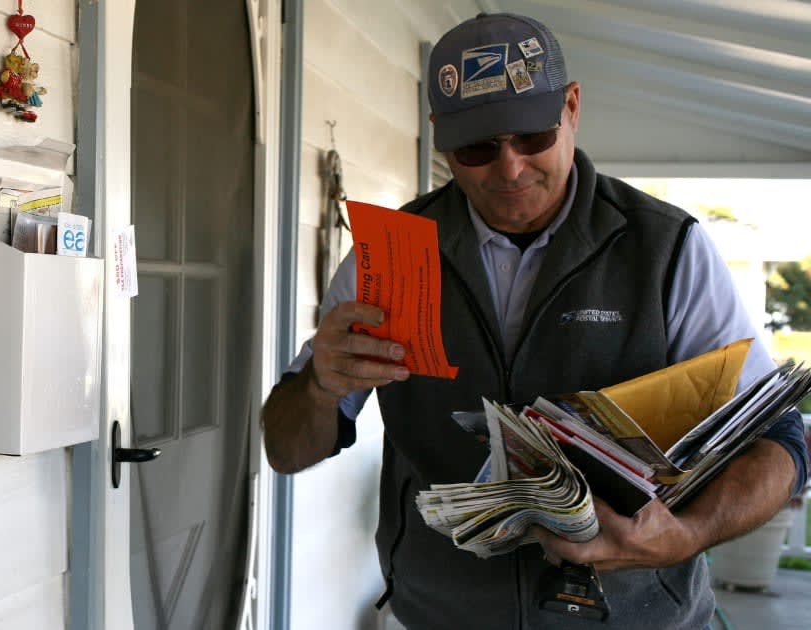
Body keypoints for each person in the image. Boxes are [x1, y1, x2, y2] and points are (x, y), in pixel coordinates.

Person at [261, 12, 810, 630]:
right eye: (476, 148)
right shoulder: (387, 257)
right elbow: (284, 447)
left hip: (641, 616)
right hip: (446, 616)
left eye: (531, 136)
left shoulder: (665, 249)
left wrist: (687, 535)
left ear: (571, 108)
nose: (510, 169)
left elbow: (778, 440)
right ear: (438, 134)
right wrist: (320, 387)